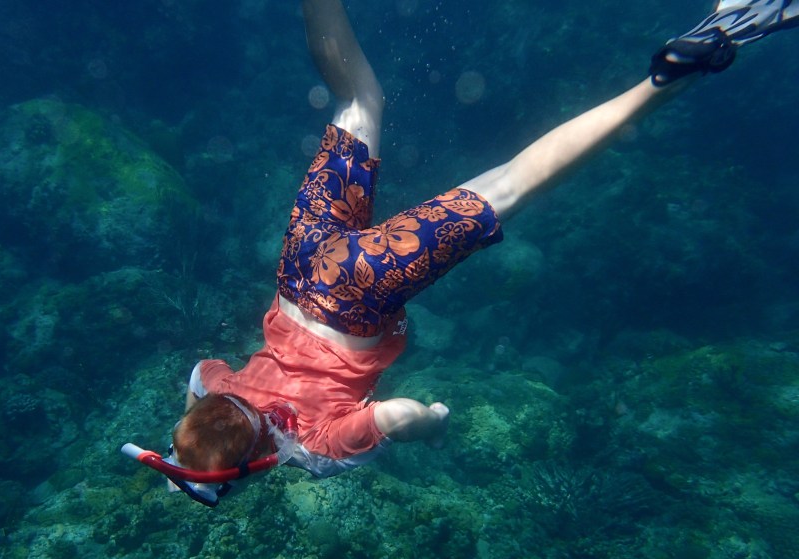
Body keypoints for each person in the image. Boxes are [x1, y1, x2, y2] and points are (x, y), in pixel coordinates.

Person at [126, 0, 798, 506]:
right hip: (305, 261)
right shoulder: (212, 385)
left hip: (360, 293)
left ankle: (674, 73)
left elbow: (395, 416)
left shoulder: (312, 447)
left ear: (249, 466)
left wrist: (431, 424)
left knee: (508, 184)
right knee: (358, 101)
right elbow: (199, 376)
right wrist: (193, 432)